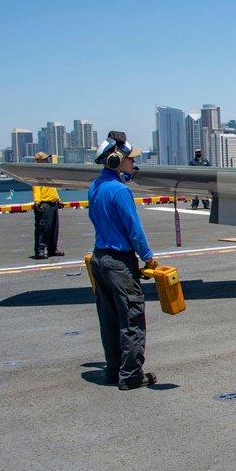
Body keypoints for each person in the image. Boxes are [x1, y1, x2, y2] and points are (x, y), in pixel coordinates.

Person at [88, 132, 158, 390]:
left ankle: (113, 370)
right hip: (119, 263)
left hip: (99, 259)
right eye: (130, 159)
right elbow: (134, 231)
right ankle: (130, 376)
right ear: (116, 160)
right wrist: (148, 257)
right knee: (131, 319)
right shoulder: (120, 190)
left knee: (109, 319)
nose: (133, 164)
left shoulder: (95, 186)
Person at [31, 152, 64, 259]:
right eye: (45, 159)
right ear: (39, 161)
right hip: (44, 204)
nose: (47, 160)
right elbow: (36, 188)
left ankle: (52, 249)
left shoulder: (47, 173)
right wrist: (37, 202)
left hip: (52, 203)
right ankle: (40, 250)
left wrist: (58, 200)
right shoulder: (37, 174)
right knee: (43, 227)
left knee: (54, 228)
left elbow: (52, 189)